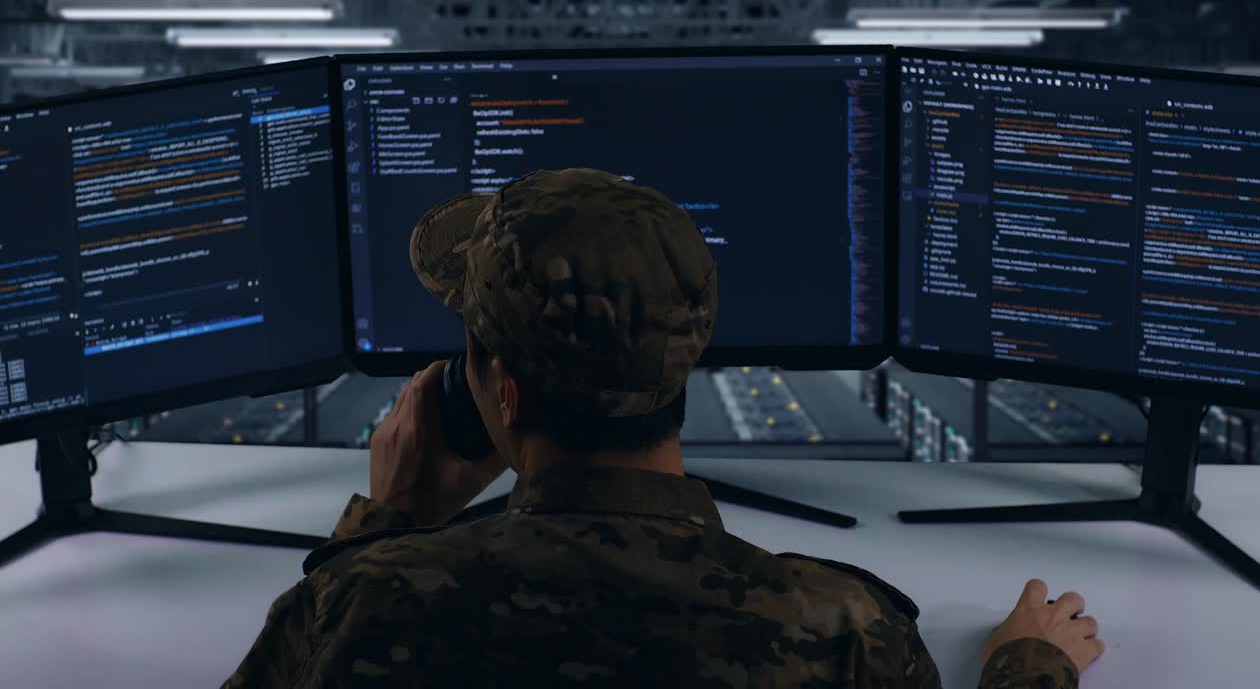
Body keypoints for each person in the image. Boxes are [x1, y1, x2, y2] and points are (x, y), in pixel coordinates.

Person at [224, 168, 1103, 688]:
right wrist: (1027, 666)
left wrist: (388, 531)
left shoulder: (359, 608)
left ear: (502, 392)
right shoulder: (845, 627)